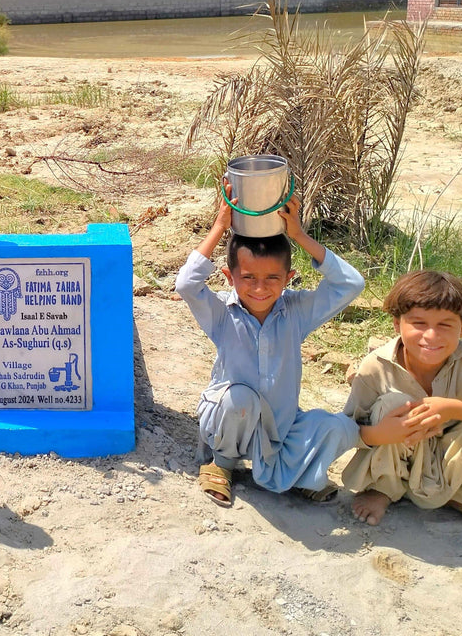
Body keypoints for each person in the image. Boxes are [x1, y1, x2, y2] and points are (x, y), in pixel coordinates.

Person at [176, 186, 415, 507]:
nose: (260, 288)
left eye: (272, 278)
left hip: (280, 429)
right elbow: (186, 284)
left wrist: (299, 234)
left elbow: (351, 283)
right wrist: (220, 225)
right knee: (240, 398)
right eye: (248, 277)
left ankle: (299, 473)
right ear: (229, 277)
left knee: (338, 428)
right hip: (230, 423)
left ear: (288, 278)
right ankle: (222, 464)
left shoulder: (296, 311)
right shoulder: (220, 313)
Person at [342, 270, 462, 526]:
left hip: (444, 456)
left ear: (461, 328)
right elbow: (347, 430)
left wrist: (452, 408)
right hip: (394, 454)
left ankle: (460, 497)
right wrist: (382, 434)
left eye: (445, 325)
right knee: (393, 404)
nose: (431, 336)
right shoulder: (376, 366)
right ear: (397, 325)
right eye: (418, 323)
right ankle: (384, 489)